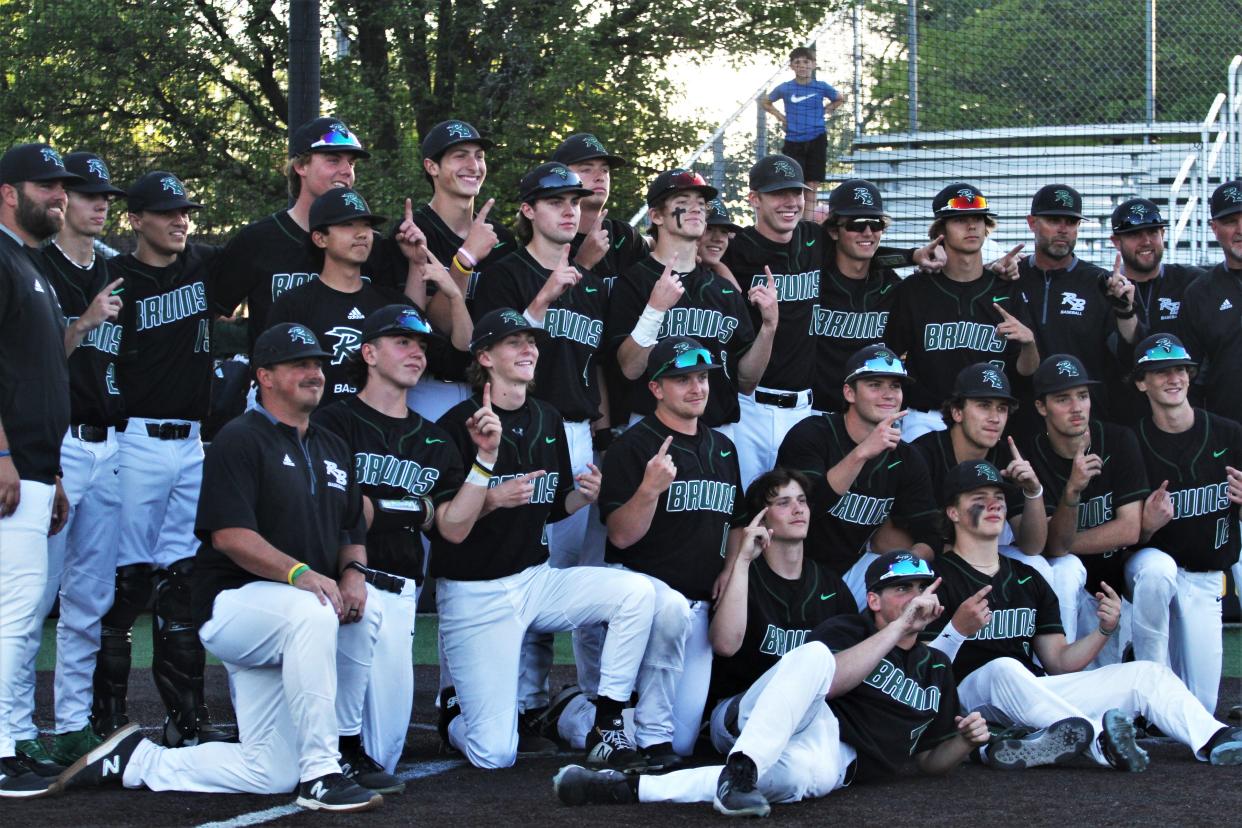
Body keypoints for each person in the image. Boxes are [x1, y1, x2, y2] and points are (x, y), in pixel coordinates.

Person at [58, 323, 391, 811]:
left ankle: (135, 761)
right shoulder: (240, 438)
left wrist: (354, 575)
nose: (313, 372)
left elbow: (350, 531)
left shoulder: (331, 444)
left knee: (269, 770)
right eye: (299, 363)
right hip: (233, 607)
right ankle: (325, 768)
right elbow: (230, 537)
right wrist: (304, 575)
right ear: (264, 376)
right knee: (315, 608)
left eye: (318, 363)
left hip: (292, 618)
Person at [552, 551, 987, 818]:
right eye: (899, 589)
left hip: (833, 754)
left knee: (793, 781)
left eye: (919, 586)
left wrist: (964, 743)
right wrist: (898, 630)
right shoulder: (848, 629)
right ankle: (743, 766)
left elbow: (930, 760)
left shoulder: (935, 669)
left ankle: (626, 788)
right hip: (772, 713)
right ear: (873, 600)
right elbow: (830, 681)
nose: (913, 596)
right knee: (815, 657)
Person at [431, 308, 655, 771]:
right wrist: (491, 497)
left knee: (636, 593)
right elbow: (446, 526)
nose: (528, 349)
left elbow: (552, 507)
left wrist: (579, 498)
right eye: (514, 342)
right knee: (494, 754)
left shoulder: (546, 417)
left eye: (531, 341)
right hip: (477, 593)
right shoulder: (456, 424)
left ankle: (608, 722)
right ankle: (454, 712)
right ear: (485, 357)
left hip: (535, 580)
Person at [926, 460, 1242, 771]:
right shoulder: (936, 578)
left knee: (1146, 674)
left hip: (1032, 698)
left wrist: (1103, 631)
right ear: (952, 512)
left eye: (998, 499)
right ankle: (1099, 741)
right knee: (1002, 669)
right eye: (979, 500)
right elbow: (920, 671)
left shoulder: (1027, 577)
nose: (993, 506)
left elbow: (1059, 662)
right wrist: (956, 629)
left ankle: (1214, 737)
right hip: (965, 702)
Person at [312, 304, 494, 775]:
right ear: (368, 352)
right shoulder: (332, 423)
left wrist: (486, 460)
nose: (416, 353)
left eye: (421, 346)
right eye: (403, 342)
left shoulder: (434, 441)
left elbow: (453, 526)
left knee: (386, 754)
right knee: (333, 744)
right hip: (339, 588)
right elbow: (349, 511)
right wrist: (420, 509)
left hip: (400, 589)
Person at [472, 163, 609, 738]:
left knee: (581, 573)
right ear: (527, 210)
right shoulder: (507, 273)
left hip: (579, 433)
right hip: (523, 430)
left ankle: (592, 699)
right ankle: (522, 697)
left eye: (575, 200)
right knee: (529, 563)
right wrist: (545, 298)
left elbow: (595, 363)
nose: (569, 210)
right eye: (555, 201)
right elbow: (489, 348)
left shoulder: (593, 280)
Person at [94, 171, 229, 748]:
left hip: (192, 443)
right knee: (125, 582)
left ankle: (186, 719)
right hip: (137, 441)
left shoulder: (203, 266)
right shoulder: (114, 279)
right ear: (136, 219)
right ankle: (108, 720)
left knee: (183, 582)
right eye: (167, 212)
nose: (180, 221)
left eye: (185, 212)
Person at [581, 335, 748, 768]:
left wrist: (730, 571)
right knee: (657, 743)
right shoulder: (632, 447)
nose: (697, 387)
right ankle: (577, 718)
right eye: (681, 379)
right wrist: (649, 491)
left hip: (698, 609)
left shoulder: (723, 448)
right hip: (645, 607)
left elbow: (737, 524)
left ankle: (581, 712)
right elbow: (620, 536)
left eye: (701, 377)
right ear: (655, 388)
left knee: (683, 743)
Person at [13, 151, 125, 772]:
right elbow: (33, 357)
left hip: (108, 443)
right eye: (83, 193)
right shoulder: (33, 264)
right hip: (53, 447)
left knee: (91, 597)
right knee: (33, 597)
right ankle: (19, 726)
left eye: (101, 194)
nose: (96, 202)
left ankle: (75, 722)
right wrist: (83, 321)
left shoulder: (114, 267)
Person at [0, 142, 78, 798]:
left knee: (24, 612)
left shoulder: (27, 264)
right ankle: (0, 750)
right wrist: (1, 454)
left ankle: (15, 739)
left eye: (61, 185)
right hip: (7, 465)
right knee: (15, 611)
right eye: (45, 184)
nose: (58, 194)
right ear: (7, 191)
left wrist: (48, 472)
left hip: (32, 468)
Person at [909, 363, 1084, 634]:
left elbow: (1033, 545)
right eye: (984, 405)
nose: (995, 417)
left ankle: (1050, 658)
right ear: (957, 411)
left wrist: (1032, 491)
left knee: (1041, 566)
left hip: (984, 553)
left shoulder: (1006, 454)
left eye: (1001, 409)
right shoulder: (923, 454)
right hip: (935, 558)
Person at [608, 169, 776, 435]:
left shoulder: (723, 290)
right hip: (650, 429)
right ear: (657, 216)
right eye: (683, 203)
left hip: (717, 431)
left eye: (701, 204)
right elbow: (629, 368)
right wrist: (655, 309)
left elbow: (746, 381)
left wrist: (769, 327)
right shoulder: (634, 282)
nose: (696, 209)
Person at [266, 187, 467, 409]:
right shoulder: (293, 304)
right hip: (318, 435)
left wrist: (455, 296)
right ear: (320, 238)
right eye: (348, 225)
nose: (362, 233)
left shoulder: (389, 303)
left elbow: (455, 362)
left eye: (367, 226)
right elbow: (274, 382)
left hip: (382, 435)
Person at [1126, 333, 1242, 714]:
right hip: (1149, 566)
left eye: (1179, 369)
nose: (1173, 377)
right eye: (1160, 371)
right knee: (1157, 571)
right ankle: (1149, 678)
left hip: (1205, 574)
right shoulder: (1131, 441)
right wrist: (1146, 526)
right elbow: (1125, 531)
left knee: (1202, 706)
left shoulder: (1229, 433)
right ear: (1142, 382)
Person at [776, 344, 940, 606]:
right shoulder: (812, 435)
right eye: (875, 385)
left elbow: (931, 536)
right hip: (792, 564)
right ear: (849, 392)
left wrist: (902, 570)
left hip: (853, 570)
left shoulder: (907, 458)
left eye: (895, 386)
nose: (888, 394)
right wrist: (861, 453)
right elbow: (807, 505)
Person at [705, 469, 854, 752]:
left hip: (803, 718)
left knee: (812, 775)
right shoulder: (742, 576)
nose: (798, 509)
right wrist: (742, 561)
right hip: (741, 712)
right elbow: (724, 644)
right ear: (761, 518)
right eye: (783, 503)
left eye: (802, 500)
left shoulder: (830, 584)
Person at [211, 116, 386, 351]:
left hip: (355, 382)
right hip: (279, 382)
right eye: (333, 160)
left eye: (351, 163)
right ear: (301, 166)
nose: (346, 171)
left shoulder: (369, 243)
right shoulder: (257, 241)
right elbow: (213, 314)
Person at [884, 182, 1040, 440]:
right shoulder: (914, 290)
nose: (971, 226)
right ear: (940, 230)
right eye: (960, 220)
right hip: (925, 419)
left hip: (988, 420)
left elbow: (1027, 371)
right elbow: (890, 356)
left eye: (978, 219)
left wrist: (1029, 343)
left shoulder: (1007, 289)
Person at [1019, 354, 1148, 650]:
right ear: (1041, 406)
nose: (1076, 407)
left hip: (1113, 579)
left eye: (1082, 396)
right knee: (1065, 567)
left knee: (1157, 568)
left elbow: (1129, 529)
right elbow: (1049, 550)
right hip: (1060, 583)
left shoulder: (1118, 440)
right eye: (1063, 399)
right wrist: (1072, 491)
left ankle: (1150, 662)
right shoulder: (1030, 453)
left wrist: (1059, 542)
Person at [406, 119, 518, 421]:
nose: (473, 165)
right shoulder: (414, 232)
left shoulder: (502, 240)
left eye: (479, 155)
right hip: (430, 389)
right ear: (432, 167)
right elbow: (429, 324)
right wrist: (465, 257)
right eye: (460, 155)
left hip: (489, 389)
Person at [1013, 185, 1118, 425]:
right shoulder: (1009, 279)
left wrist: (1125, 310)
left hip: (1084, 420)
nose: (1063, 229)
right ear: (1032, 223)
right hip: (1021, 419)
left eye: (1071, 222)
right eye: (1053, 220)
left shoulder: (1100, 283)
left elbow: (1123, 356)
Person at [1103, 197, 1203, 424]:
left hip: (1188, 416)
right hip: (1126, 417)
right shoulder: (1107, 290)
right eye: (1134, 234)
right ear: (1115, 241)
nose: (1146, 241)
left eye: (1153, 232)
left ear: (1163, 235)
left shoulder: (1194, 283)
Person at [813, 179, 903, 413]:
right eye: (856, 224)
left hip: (870, 414)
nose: (867, 232)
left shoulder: (892, 285)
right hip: (816, 411)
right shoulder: (813, 280)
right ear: (834, 230)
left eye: (875, 224)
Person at [550, 132, 648, 294]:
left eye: (605, 170)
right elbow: (546, 313)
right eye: (587, 169)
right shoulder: (547, 238)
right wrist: (582, 263)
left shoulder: (625, 235)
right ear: (560, 178)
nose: (600, 177)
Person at [1180, 180, 1242, 427]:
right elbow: (1189, 375)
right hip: (1227, 431)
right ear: (1214, 228)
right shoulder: (1200, 292)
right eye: (1230, 222)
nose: (1240, 229)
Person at [762, 47, 846, 216]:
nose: (802, 66)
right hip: (793, 140)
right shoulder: (785, 88)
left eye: (806, 62)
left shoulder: (821, 87)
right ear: (792, 66)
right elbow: (766, 102)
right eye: (797, 62)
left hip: (816, 138)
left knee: (812, 183)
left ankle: (808, 223)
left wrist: (826, 110)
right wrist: (781, 117)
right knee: (794, 182)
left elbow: (839, 98)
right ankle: (795, 220)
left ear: (813, 65)